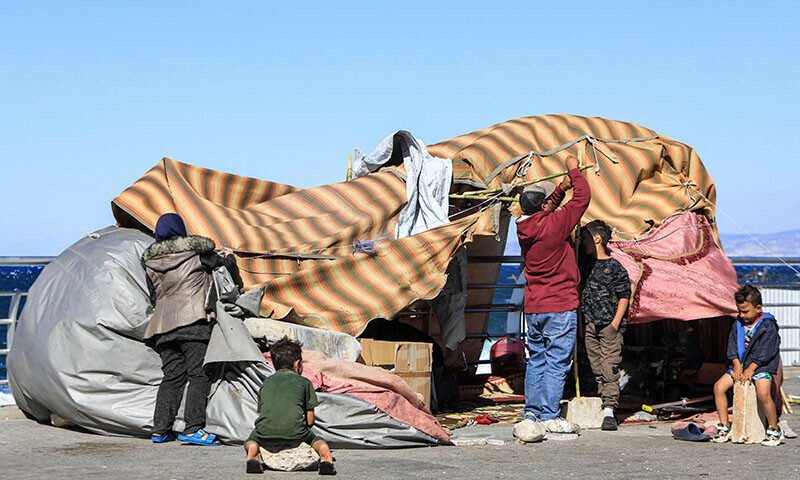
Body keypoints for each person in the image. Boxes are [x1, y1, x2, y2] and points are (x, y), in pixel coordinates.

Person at [143, 213, 238, 446]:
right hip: (193, 322)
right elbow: (223, 266)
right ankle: (194, 428)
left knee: (172, 377)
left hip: (162, 327)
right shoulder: (198, 253)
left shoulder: (150, 263)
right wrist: (231, 260)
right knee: (199, 374)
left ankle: (160, 430)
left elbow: (153, 295)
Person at [516, 154, 590, 430]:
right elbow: (583, 199)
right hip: (559, 305)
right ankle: (549, 415)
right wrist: (574, 168)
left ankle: (531, 413)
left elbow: (545, 210)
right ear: (545, 206)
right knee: (557, 362)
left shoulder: (524, 227)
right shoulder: (555, 225)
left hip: (534, 306)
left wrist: (560, 188)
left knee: (537, 360)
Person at [245, 337, 335, 475]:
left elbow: (263, 412)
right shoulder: (305, 383)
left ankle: (253, 454)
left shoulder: (266, 383)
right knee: (317, 440)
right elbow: (310, 422)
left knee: (251, 440)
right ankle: (326, 457)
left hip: (265, 432)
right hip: (297, 433)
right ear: (297, 363)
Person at [712, 284, 783, 446]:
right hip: (742, 365)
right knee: (719, 387)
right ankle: (724, 426)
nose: (742, 315)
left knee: (763, 393)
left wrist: (752, 368)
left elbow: (766, 351)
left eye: (745, 311)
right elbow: (731, 345)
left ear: (758, 308)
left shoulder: (768, 326)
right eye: (739, 311)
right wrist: (736, 364)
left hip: (762, 366)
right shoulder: (738, 324)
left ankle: (774, 429)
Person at [579, 219, 630, 431]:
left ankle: (610, 410)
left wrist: (614, 324)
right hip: (590, 324)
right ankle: (604, 401)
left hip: (609, 325)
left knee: (610, 367)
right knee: (597, 367)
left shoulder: (615, 267)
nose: (583, 244)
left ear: (597, 239)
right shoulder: (584, 265)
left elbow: (624, 296)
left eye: (584, 240)